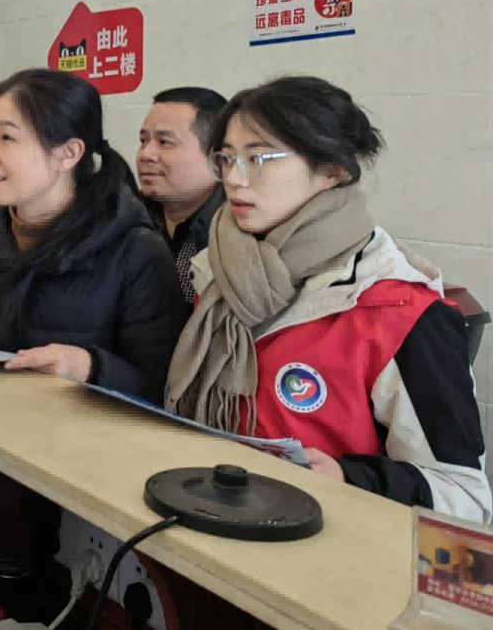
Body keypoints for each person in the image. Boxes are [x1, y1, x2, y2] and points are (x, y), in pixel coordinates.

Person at [165, 76, 492, 523]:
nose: (234, 179)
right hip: (208, 520)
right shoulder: (219, 272)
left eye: (258, 158)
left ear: (334, 169)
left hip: (329, 546)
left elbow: (466, 498)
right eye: (227, 158)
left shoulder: (398, 311)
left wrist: (347, 478)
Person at [0, 69, 187, 403]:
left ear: (68, 153)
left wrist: (90, 367)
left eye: (7, 138)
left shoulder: (136, 251)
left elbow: (164, 390)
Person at [137, 86, 226, 305]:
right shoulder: (124, 219)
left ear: (216, 158)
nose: (145, 154)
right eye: (143, 141)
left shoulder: (235, 235)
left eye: (164, 142)